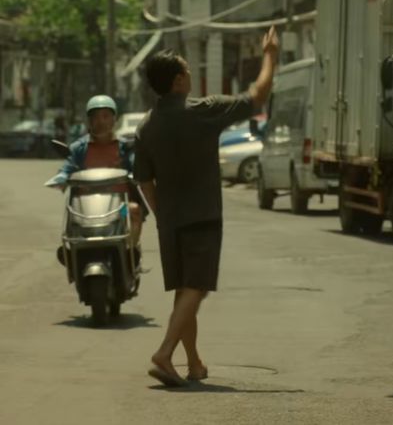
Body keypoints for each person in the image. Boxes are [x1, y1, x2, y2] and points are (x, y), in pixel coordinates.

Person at [134, 25, 279, 387]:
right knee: (196, 289)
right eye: (187, 71)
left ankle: (194, 362)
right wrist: (271, 56)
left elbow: (144, 181)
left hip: (170, 222)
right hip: (202, 217)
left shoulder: (146, 127)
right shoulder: (202, 111)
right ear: (180, 79)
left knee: (185, 291)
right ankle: (164, 353)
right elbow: (257, 97)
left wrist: (161, 214)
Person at [51, 95, 145, 264]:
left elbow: (135, 166)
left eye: (105, 116)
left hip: (119, 208)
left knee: (134, 210)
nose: (100, 121)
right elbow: (69, 165)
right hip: (84, 208)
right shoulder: (79, 148)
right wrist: (62, 177)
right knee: (70, 215)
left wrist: (138, 172)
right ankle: (70, 252)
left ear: (114, 119)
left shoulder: (124, 147)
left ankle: (130, 252)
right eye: (95, 117)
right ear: (88, 121)